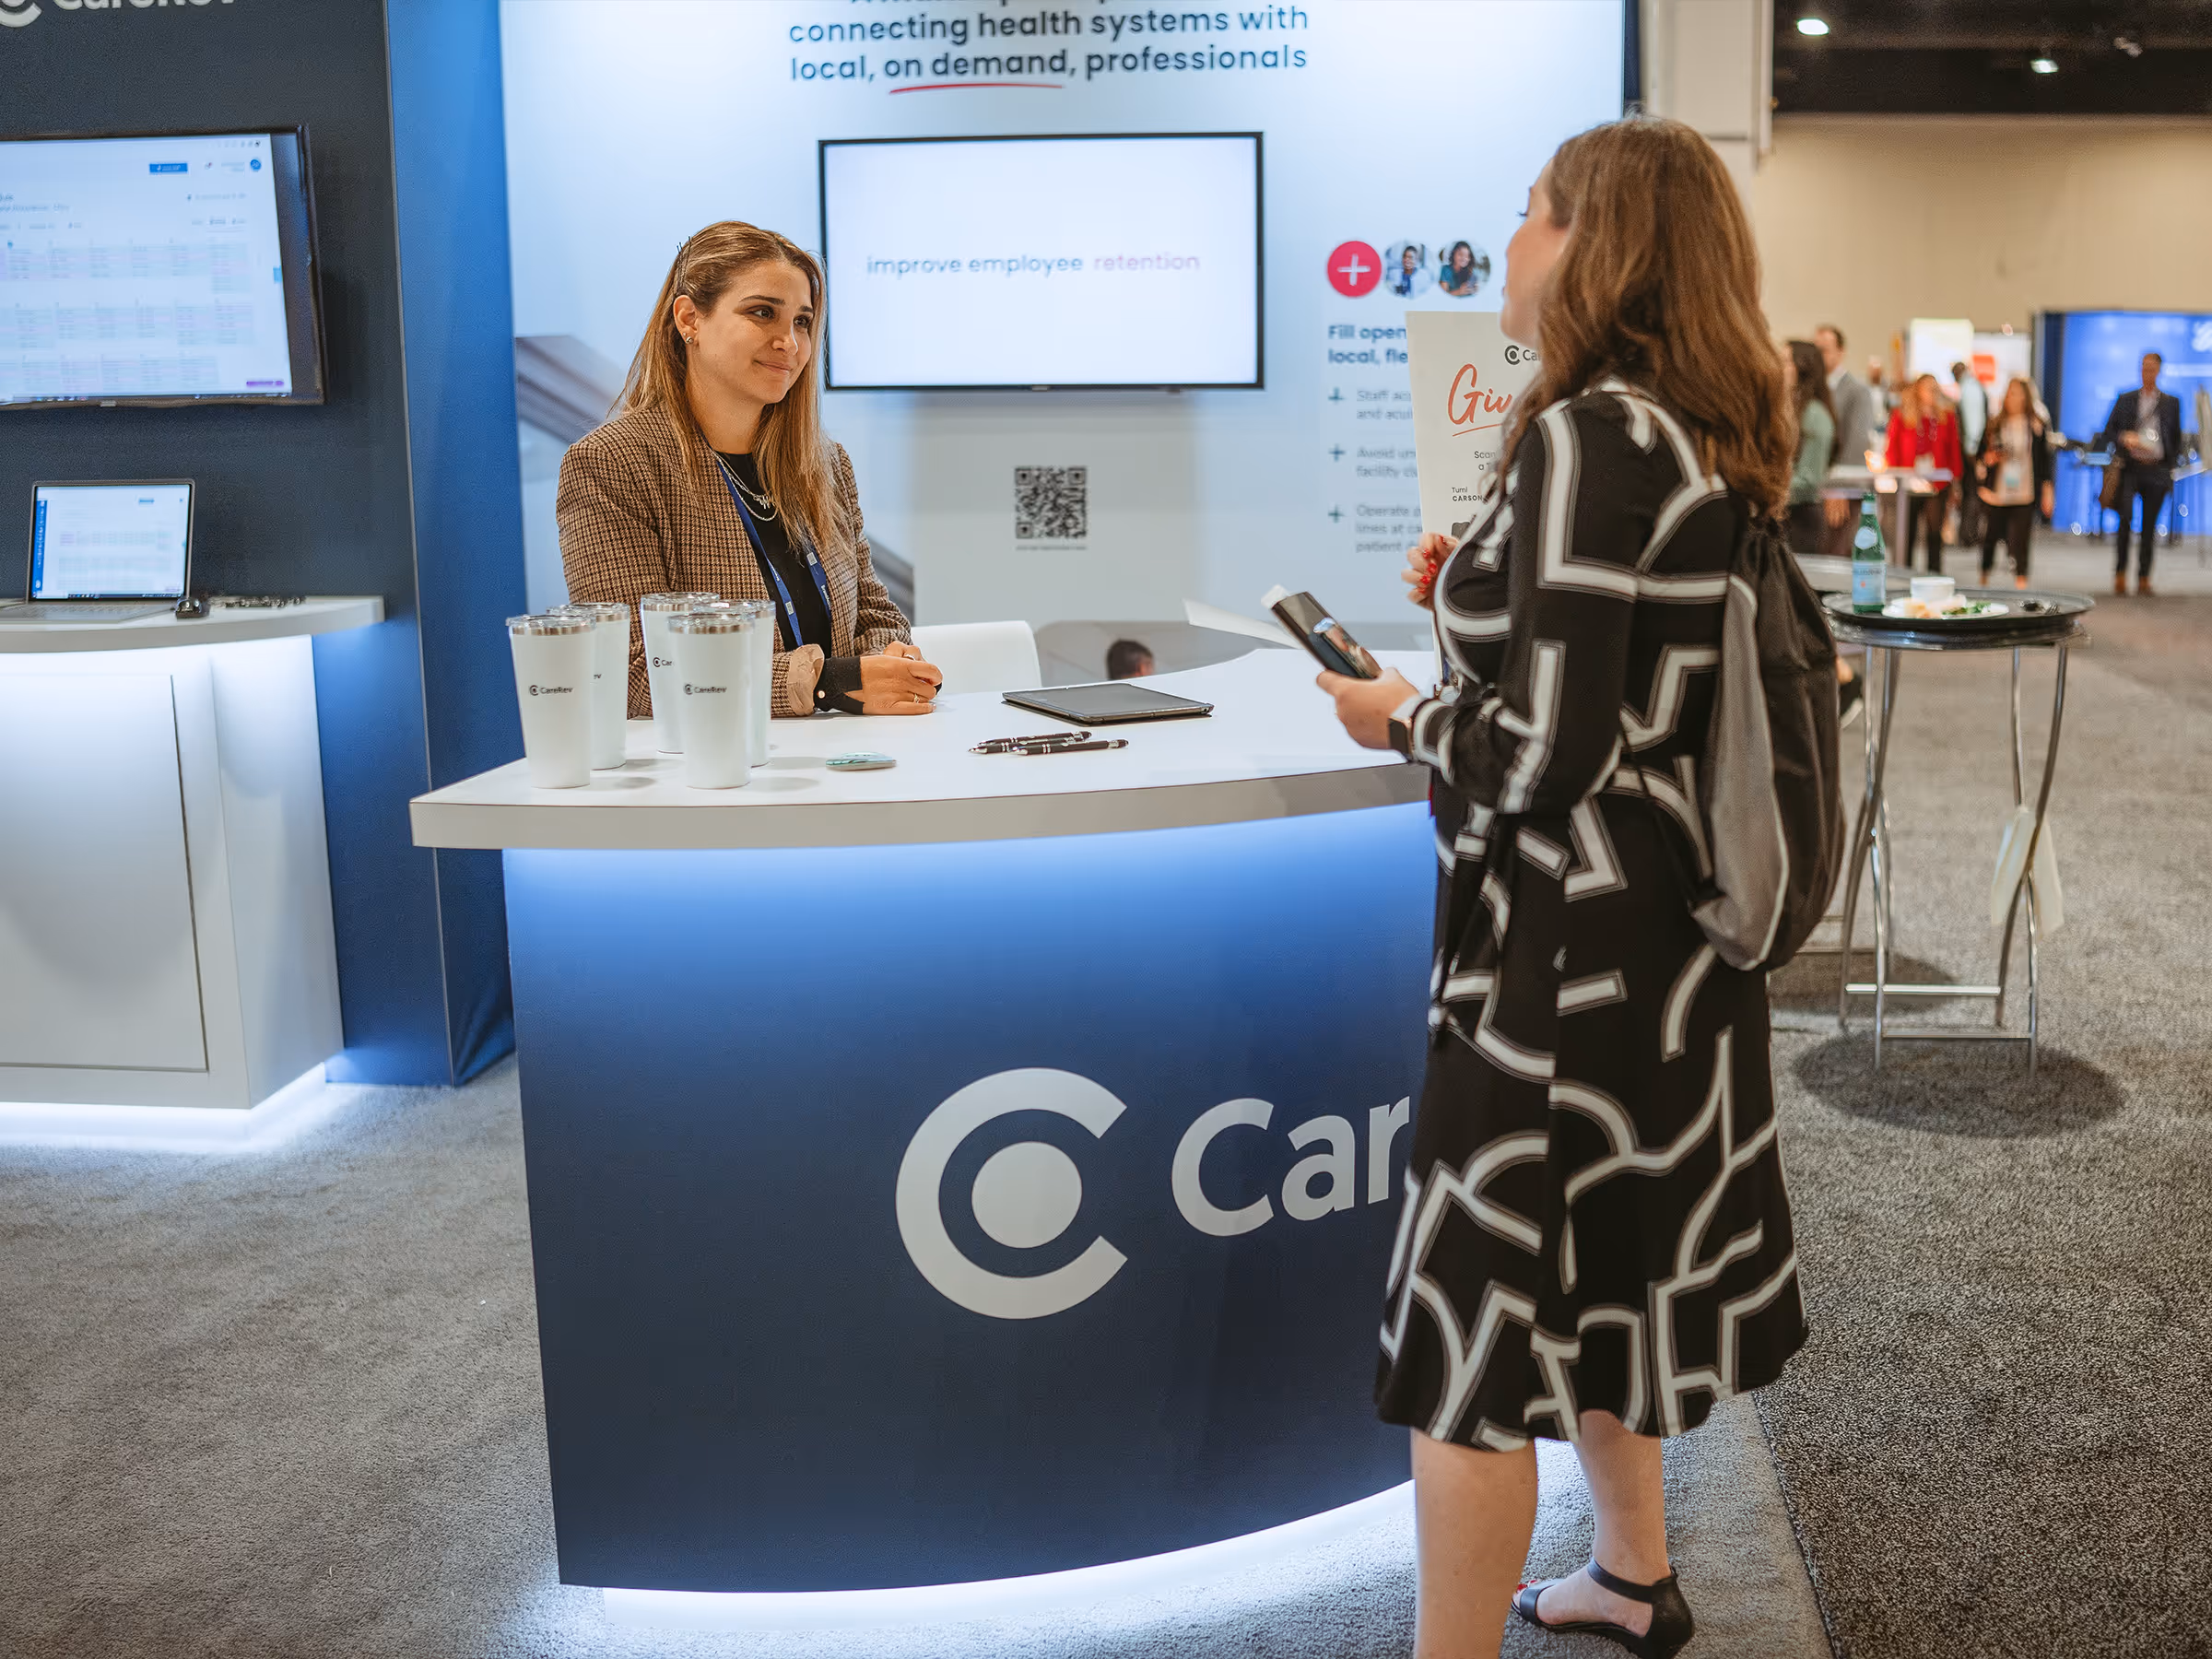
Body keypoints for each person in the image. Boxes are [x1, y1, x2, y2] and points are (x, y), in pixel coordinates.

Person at [1316, 115, 1806, 1659]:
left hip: (1555, 971)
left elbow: (1547, 753)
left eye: (1533, 214)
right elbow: (1629, 670)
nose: (1508, 242)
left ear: (1601, 248)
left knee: (1471, 1346)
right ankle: (1635, 1575)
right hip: (1658, 961)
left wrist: (1400, 711)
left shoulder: (1593, 435)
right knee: (1601, 1286)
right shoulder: (1696, 430)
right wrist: (1477, 597)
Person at [558, 220, 940, 717]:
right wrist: (823, 684)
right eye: (763, 313)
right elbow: (632, 671)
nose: (790, 343)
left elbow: (873, 609)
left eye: (802, 322)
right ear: (689, 318)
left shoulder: (825, 464)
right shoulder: (612, 464)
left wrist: (892, 655)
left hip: (852, 755)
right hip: (712, 773)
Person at [2099, 351, 2183, 596]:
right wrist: (2125, 438)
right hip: (2129, 468)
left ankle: (2144, 577)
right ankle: (2120, 574)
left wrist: (2168, 464)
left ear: (2159, 371)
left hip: (2156, 470)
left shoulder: (2171, 403)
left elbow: (2175, 438)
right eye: (2144, 368)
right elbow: (2109, 431)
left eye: (2152, 368)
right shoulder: (2125, 399)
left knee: (2149, 527)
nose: (2147, 373)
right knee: (2124, 522)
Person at [1974, 376, 2053, 589]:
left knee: (2021, 537)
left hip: (2024, 489)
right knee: (1990, 535)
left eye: (2018, 393)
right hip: (1997, 490)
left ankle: (2021, 579)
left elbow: (2045, 461)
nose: (2013, 398)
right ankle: (1984, 574)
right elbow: (1981, 455)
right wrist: (1989, 458)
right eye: (2010, 392)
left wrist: (2047, 490)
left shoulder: (2036, 425)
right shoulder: (1995, 423)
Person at [1883, 373, 1962, 572]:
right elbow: (1892, 448)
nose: (1932, 392)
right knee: (1906, 533)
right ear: (1917, 390)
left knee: (1934, 533)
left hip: (1937, 483)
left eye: (1935, 388)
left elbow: (1953, 449)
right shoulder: (1902, 415)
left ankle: (1934, 575)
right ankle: (1904, 573)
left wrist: (1955, 479)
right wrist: (1895, 474)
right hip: (1909, 483)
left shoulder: (1946, 416)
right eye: (1928, 388)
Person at [1812, 324, 1876, 561]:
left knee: (1837, 554)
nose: (1820, 356)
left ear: (1840, 352)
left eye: (1825, 350)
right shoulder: (1816, 389)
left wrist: (1837, 486)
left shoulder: (1856, 391)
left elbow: (1856, 443)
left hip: (1843, 487)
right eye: (1816, 350)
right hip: (1819, 486)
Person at [1784, 339, 1837, 557]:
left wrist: (1766, 489)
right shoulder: (1792, 409)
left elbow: (1809, 480)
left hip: (1800, 520)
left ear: (1802, 368)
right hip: (1787, 513)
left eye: (1785, 361)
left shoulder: (1815, 415)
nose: (1778, 367)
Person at [1951, 359, 1989, 548]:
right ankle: (1968, 533)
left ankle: (1969, 533)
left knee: (1972, 492)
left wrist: (1972, 453)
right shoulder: (1970, 387)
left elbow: (1974, 424)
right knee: (1970, 493)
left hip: (1971, 451)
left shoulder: (1969, 390)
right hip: (1971, 449)